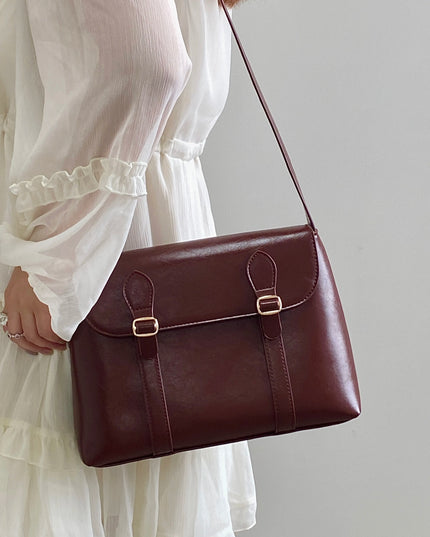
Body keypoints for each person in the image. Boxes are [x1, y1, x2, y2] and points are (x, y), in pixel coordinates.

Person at [0, 0, 257, 535]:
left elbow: (145, 64)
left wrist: (58, 255)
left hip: (83, 239)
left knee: (64, 465)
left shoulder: (61, 249)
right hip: (126, 217)